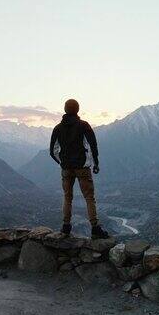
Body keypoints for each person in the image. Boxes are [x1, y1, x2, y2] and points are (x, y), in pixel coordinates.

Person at [49, 99, 110, 239]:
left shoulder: (58, 128)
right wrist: (95, 163)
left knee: (67, 197)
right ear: (78, 110)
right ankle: (95, 228)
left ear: (65, 110)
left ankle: (65, 227)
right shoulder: (83, 126)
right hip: (82, 167)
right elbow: (93, 145)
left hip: (66, 169)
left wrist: (62, 162)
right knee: (89, 197)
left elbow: (53, 151)